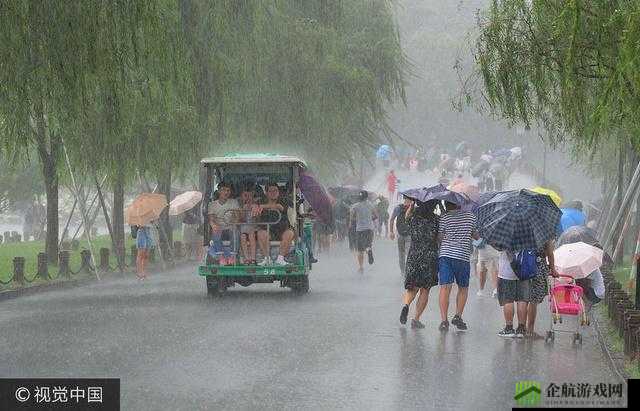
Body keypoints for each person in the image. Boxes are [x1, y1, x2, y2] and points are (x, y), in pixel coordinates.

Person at [437, 202, 479, 331]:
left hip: (446, 256)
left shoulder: (444, 217)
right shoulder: (470, 216)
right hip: (462, 256)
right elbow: (477, 236)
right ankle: (458, 316)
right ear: (460, 204)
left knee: (445, 288)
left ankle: (444, 321)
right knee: (463, 288)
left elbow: (439, 237)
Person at [399, 200, 440, 328]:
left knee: (412, 287)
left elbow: (406, 218)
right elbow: (439, 238)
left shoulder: (414, 218)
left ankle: (406, 305)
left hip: (414, 255)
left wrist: (411, 207)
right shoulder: (436, 220)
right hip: (429, 256)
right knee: (425, 289)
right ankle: (416, 319)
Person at [524, 240, 559, 338]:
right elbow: (550, 254)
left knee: (523, 299)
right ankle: (530, 330)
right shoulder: (543, 234)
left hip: (523, 267)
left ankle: (521, 328)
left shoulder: (523, 229)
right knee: (533, 301)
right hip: (537, 269)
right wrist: (553, 270)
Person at [256, 182, 296, 266]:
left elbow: (279, 207)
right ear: (266, 193)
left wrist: (262, 207)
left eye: (275, 191)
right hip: (268, 230)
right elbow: (255, 207)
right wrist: (255, 207)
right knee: (260, 233)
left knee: (290, 233)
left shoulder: (284, 201)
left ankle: (280, 258)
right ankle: (267, 258)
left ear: (278, 192)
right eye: (271, 191)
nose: (273, 193)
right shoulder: (260, 201)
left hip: (282, 229)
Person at [496, 251, 530, 338]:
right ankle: (521, 329)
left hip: (506, 271)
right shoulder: (527, 236)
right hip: (524, 270)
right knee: (522, 300)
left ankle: (509, 328)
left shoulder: (504, 237)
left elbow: (498, 247)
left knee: (508, 300)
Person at [207, 181, 240, 265]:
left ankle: (232, 256)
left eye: (228, 190)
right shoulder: (212, 204)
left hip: (230, 227)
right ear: (219, 191)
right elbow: (211, 219)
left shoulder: (234, 202)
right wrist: (214, 225)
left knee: (235, 231)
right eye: (223, 190)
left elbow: (237, 217)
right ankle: (221, 256)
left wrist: (234, 223)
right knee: (215, 230)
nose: (226, 192)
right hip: (219, 228)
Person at [350, 190, 377, 274]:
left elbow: (351, 216)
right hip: (369, 228)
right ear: (367, 197)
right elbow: (376, 216)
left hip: (360, 229)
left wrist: (354, 220)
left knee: (360, 250)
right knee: (368, 245)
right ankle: (369, 249)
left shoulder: (355, 206)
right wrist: (370, 219)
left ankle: (361, 267)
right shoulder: (371, 205)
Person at [389, 195, 413, 276]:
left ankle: (403, 271)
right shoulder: (413, 208)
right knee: (408, 253)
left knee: (401, 254)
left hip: (400, 233)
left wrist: (391, 232)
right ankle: (408, 270)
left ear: (404, 199)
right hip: (409, 234)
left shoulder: (398, 208)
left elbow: (392, 219)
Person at [239, 184, 258, 264]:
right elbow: (242, 219)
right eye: (246, 195)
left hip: (254, 228)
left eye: (250, 195)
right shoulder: (241, 206)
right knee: (243, 236)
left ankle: (253, 258)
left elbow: (257, 219)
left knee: (251, 234)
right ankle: (246, 258)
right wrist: (244, 209)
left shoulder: (256, 206)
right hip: (244, 229)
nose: (248, 198)